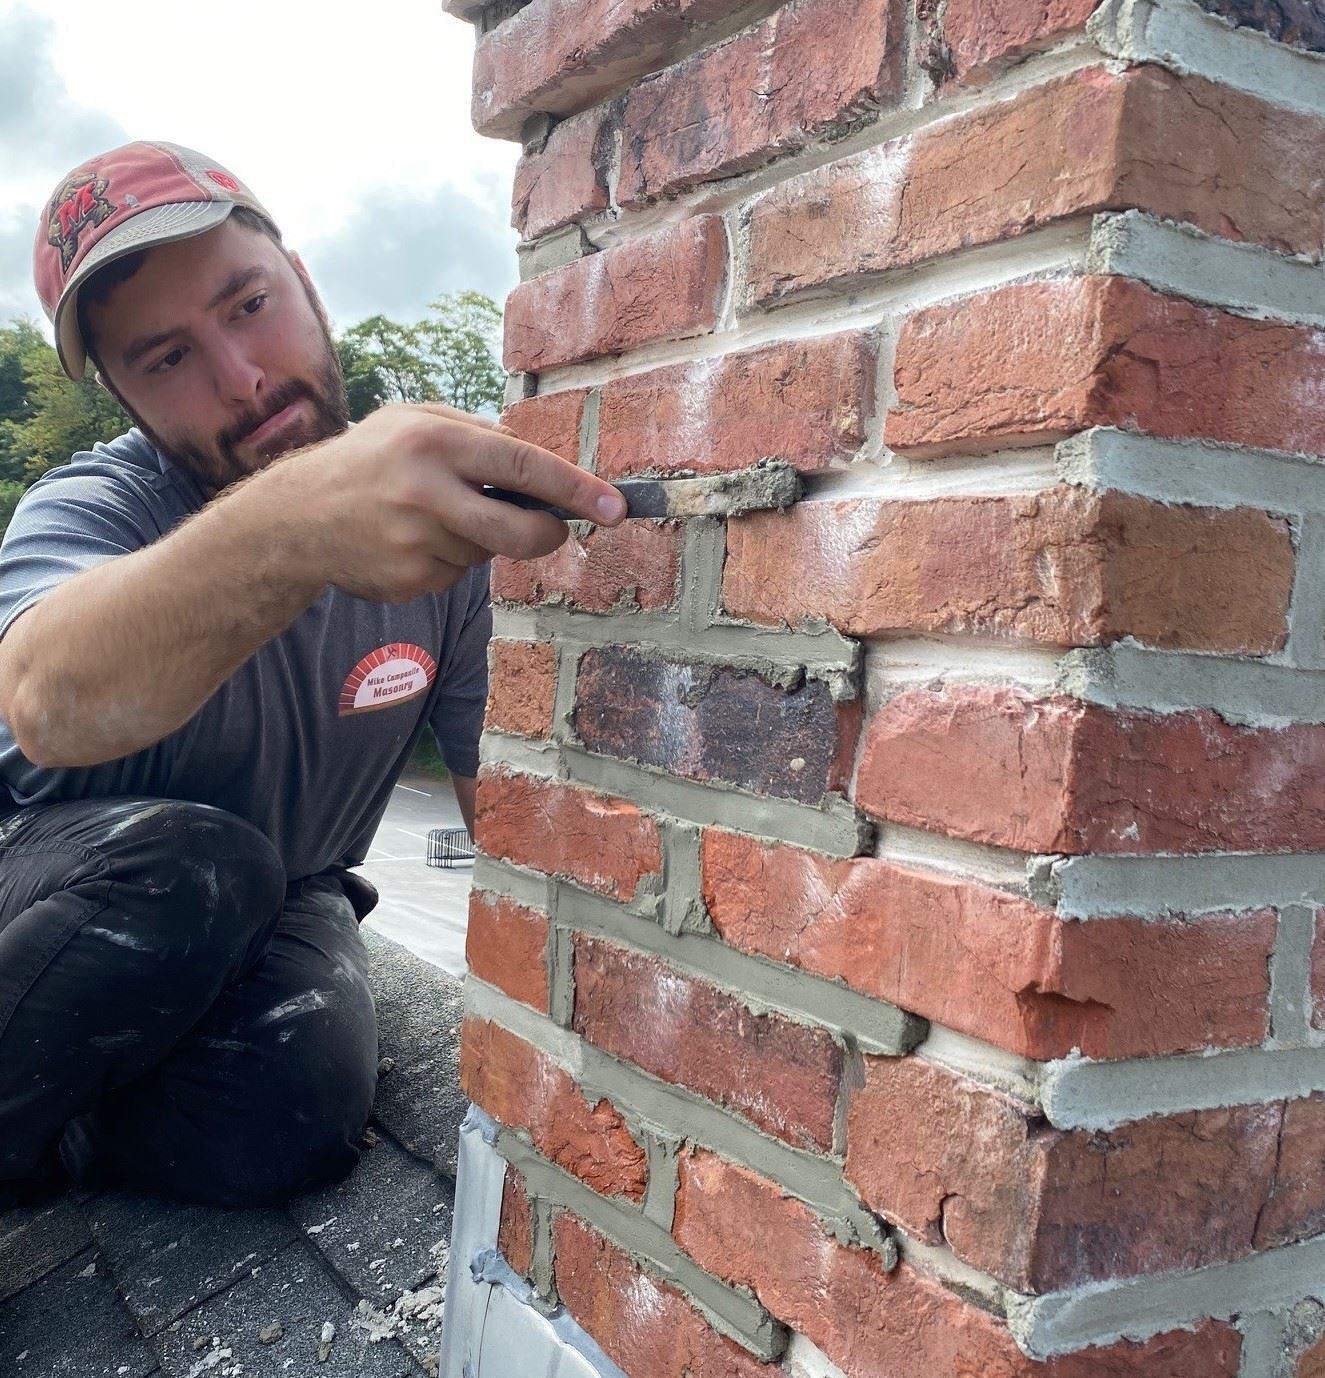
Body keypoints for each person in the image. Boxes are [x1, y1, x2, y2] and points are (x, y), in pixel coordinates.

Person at [0, 141, 626, 1208]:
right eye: (167, 360)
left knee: (300, 1110)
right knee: (191, 862)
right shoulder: (94, 511)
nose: (239, 378)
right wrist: (297, 528)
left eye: (248, 304)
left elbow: (510, 820)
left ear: (306, 283)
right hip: (52, 892)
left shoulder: (442, 539)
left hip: (279, 899)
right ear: (125, 398)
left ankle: (58, 1128)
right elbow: (46, 698)